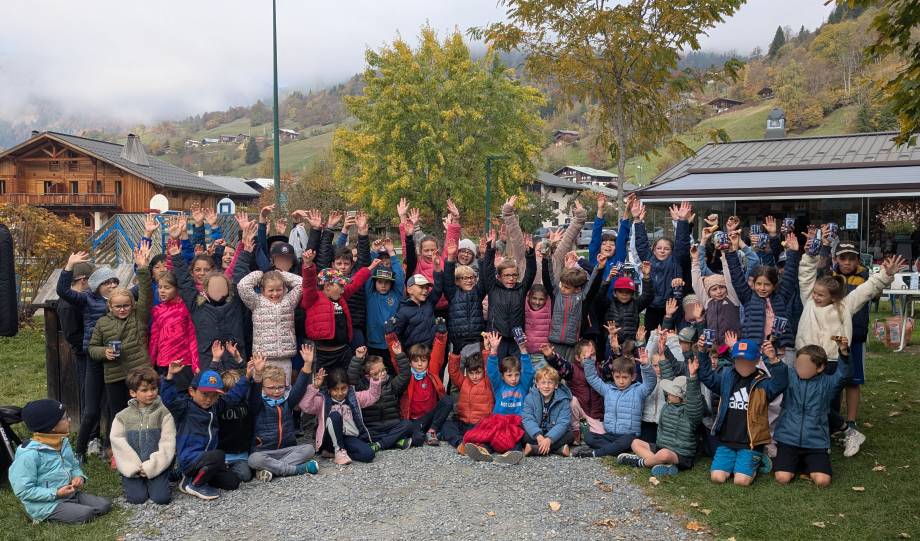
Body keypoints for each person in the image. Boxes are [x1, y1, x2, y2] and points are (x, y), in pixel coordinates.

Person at [810, 242, 903, 457]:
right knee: (830, 384)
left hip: (855, 337)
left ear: (858, 260)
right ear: (836, 259)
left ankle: (850, 423)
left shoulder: (864, 276)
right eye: (843, 258)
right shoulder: (829, 277)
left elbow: (868, 291)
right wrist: (823, 245)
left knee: (852, 380)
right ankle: (833, 424)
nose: (847, 262)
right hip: (830, 342)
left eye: (851, 258)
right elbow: (814, 272)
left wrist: (885, 275)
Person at [698, 339, 788, 486]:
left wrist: (773, 359)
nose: (743, 363)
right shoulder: (727, 376)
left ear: (756, 360)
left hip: (750, 442)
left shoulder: (763, 382)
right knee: (717, 478)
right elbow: (708, 377)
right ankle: (737, 461)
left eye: (747, 360)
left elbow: (780, 384)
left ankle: (757, 459)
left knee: (741, 481)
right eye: (739, 359)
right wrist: (702, 353)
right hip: (727, 440)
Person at [57, 252, 120, 461]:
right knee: (91, 409)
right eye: (107, 282)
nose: (111, 286)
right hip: (93, 360)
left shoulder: (122, 301)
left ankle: (110, 448)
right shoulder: (87, 299)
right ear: (96, 285)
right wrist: (68, 267)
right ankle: (80, 449)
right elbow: (63, 291)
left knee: (112, 407)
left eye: (114, 282)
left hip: (114, 362)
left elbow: (143, 288)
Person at [9, 399, 112, 523]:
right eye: (64, 418)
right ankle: (43, 516)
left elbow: (73, 465)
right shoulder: (28, 455)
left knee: (104, 505)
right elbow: (24, 491)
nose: (69, 420)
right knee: (86, 514)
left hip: (70, 494)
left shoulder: (63, 442)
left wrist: (78, 477)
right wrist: (56, 493)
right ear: (51, 426)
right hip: (47, 504)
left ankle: (71, 506)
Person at [88, 245, 154, 436]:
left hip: (140, 373)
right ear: (109, 306)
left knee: (143, 412)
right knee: (117, 415)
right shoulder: (102, 323)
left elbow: (146, 292)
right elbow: (92, 348)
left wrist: (142, 269)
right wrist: (104, 352)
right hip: (114, 375)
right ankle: (115, 449)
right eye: (117, 307)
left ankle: (143, 446)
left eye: (126, 305)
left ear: (132, 305)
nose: (122, 309)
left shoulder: (138, 316)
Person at [160, 361, 249, 500]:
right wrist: (170, 376)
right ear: (192, 391)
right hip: (191, 459)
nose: (209, 399)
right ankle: (194, 484)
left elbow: (233, 396)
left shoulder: (215, 406)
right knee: (218, 455)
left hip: (208, 462)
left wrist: (247, 376)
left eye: (214, 395)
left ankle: (189, 477)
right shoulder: (184, 408)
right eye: (205, 394)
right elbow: (169, 399)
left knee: (233, 482)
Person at [774, 340, 852, 487]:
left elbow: (843, 374)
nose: (799, 368)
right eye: (798, 364)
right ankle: (794, 463)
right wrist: (771, 355)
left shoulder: (828, 384)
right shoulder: (790, 376)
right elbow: (777, 368)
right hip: (788, 439)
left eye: (805, 366)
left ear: (820, 367)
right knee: (782, 478)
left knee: (823, 481)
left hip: (815, 442)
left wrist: (844, 353)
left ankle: (806, 463)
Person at [619, 349, 704, 478]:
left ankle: (641, 462)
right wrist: (663, 354)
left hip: (681, 454)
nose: (668, 394)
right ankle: (662, 464)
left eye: (672, 393)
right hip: (662, 447)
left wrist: (692, 376)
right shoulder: (669, 403)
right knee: (635, 443)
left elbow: (694, 399)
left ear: (681, 396)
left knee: (664, 454)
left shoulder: (691, 413)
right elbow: (668, 376)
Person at [462, 331, 535, 465]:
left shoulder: (523, 385)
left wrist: (523, 349)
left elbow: (529, 372)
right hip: (498, 420)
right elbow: (491, 371)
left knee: (516, 436)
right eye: (509, 375)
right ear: (502, 376)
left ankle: (510, 455)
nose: (513, 379)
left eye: (516, 375)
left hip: (516, 421)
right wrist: (494, 350)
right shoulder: (499, 385)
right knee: (490, 434)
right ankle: (483, 451)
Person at [301, 248, 379, 372]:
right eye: (341, 285)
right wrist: (308, 265)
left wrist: (369, 268)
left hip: (343, 351)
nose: (344, 289)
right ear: (327, 286)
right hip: (323, 354)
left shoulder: (340, 296)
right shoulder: (313, 298)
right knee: (324, 384)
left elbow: (355, 282)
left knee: (346, 380)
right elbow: (308, 284)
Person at [247, 347, 319, 482]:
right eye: (271, 388)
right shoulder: (258, 403)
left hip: (287, 450)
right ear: (263, 387)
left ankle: (272, 470)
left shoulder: (287, 401)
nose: (276, 391)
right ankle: (296, 469)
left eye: (280, 387)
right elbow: (253, 395)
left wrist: (307, 365)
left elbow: (299, 388)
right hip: (263, 452)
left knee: (309, 449)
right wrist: (257, 374)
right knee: (253, 459)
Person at [573, 348, 657, 458]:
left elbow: (650, 383)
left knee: (627, 441)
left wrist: (646, 366)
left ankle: (596, 453)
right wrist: (588, 361)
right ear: (613, 376)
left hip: (629, 436)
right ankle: (617, 449)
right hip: (610, 435)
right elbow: (592, 378)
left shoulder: (639, 391)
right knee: (589, 437)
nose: (621, 381)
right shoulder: (608, 390)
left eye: (625, 377)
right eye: (617, 377)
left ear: (633, 377)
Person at [110, 367, 175, 505]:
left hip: (156, 465)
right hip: (133, 467)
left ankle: (164, 476)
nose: (150, 393)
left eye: (154, 388)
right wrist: (132, 467)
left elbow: (167, 443)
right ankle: (131, 479)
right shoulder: (122, 417)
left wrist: (152, 466)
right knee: (137, 498)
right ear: (133, 393)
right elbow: (118, 442)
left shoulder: (164, 413)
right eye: (144, 390)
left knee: (161, 498)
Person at [298, 362, 382, 465]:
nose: (340, 393)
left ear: (348, 387)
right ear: (329, 390)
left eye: (343, 388)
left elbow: (372, 396)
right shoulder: (322, 400)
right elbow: (305, 406)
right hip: (328, 439)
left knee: (369, 455)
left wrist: (375, 380)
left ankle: (336, 453)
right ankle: (338, 452)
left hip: (348, 437)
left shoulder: (353, 397)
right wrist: (315, 387)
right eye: (335, 389)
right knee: (335, 415)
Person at [237, 268, 304, 385]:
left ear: (284, 289)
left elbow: (302, 283)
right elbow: (242, 286)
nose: (275, 293)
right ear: (262, 290)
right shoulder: (256, 302)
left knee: (284, 389)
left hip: (284, 357)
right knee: (263, 390)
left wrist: (282, 274)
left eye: (279, 289)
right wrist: (260, 274)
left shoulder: (289, 301)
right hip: (263, 359)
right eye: (270, 290)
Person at [347, 343, 416, 452]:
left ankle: (380, 444)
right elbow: (351, 379)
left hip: (392, 425)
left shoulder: (391, 384)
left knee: (408, 425)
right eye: (377, 373)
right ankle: (394, 441)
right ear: (367, 376)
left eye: (383, 370)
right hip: (371, 428)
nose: (382, 374)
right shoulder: (362, 386)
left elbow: (405, 375)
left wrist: (399, 354)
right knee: (359, 435)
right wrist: (358, 358)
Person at [542, 340, 605, 446]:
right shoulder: (572, 370)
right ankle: (576, 430)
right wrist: (552, 357)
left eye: (593, 354)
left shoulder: (599, 369)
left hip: (593, 415)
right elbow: (562, 365)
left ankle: (584, 429)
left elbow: (612, 369)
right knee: (572, 401)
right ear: (577, 358)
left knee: (602, 436)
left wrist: (615, 349)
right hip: (578, 410)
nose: (591, 358)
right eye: (587, 355)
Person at [398, 336, 452, 446]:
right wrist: (390, 338)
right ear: (410, 362)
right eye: (416, 361)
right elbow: (396, 359)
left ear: (428, 361)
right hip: (416, 420)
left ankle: (432, 431)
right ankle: (432, 433)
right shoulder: (406, 375)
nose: (419, 364)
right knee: (417, 439)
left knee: (448, 401)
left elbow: (438, 353)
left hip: (431, 417)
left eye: (423, 361)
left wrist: (441, 335)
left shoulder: (431, 372)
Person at [148, 270, 199, 382]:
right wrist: (150, 365)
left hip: (183, 362)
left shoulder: (185, 308)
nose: (162, 291)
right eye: (160, 287)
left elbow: (192, 337)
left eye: (167, 287)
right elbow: (154, 339)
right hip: (163, 363)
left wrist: (195, 364)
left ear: (177, 289)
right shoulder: (157, 310)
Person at [441, 348, 493, 452]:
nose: (474, 376)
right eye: (471, 373)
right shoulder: (464, 381)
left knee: (488, 435)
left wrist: (487, 351)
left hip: (480, 424)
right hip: (463, 422)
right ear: (467, 372)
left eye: (478, 373)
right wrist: (455, 354)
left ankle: (482, 448)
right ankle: (460, 444)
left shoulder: (487, 382)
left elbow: (490, 368)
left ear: (483, 371)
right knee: (447, 425)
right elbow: (454, 372)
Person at [443, 239, 486, 354]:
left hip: (476, 341)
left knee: (476, 371)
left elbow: (484, 279)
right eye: (464, 278)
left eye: (471, 277)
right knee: (456, 370)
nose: (469, 280)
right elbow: (447, 278)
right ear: (457, 281)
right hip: (457, 341)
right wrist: (451, 258)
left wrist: (482, 257)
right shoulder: (452, 293)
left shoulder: (477, 292)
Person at [521, 366, 573, 457]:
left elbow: (563, 422)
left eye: (550, 383)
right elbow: (528, 418)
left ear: (556, 385)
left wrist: (549, 439)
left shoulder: (563, 400)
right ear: (537, 384)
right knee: (523, 434)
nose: (546, 386)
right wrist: (538, 435)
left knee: (570, 435)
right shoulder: (530, 398)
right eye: (543, 382)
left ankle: (534, 449)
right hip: (537, 434)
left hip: (554, 434)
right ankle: (559, 449)